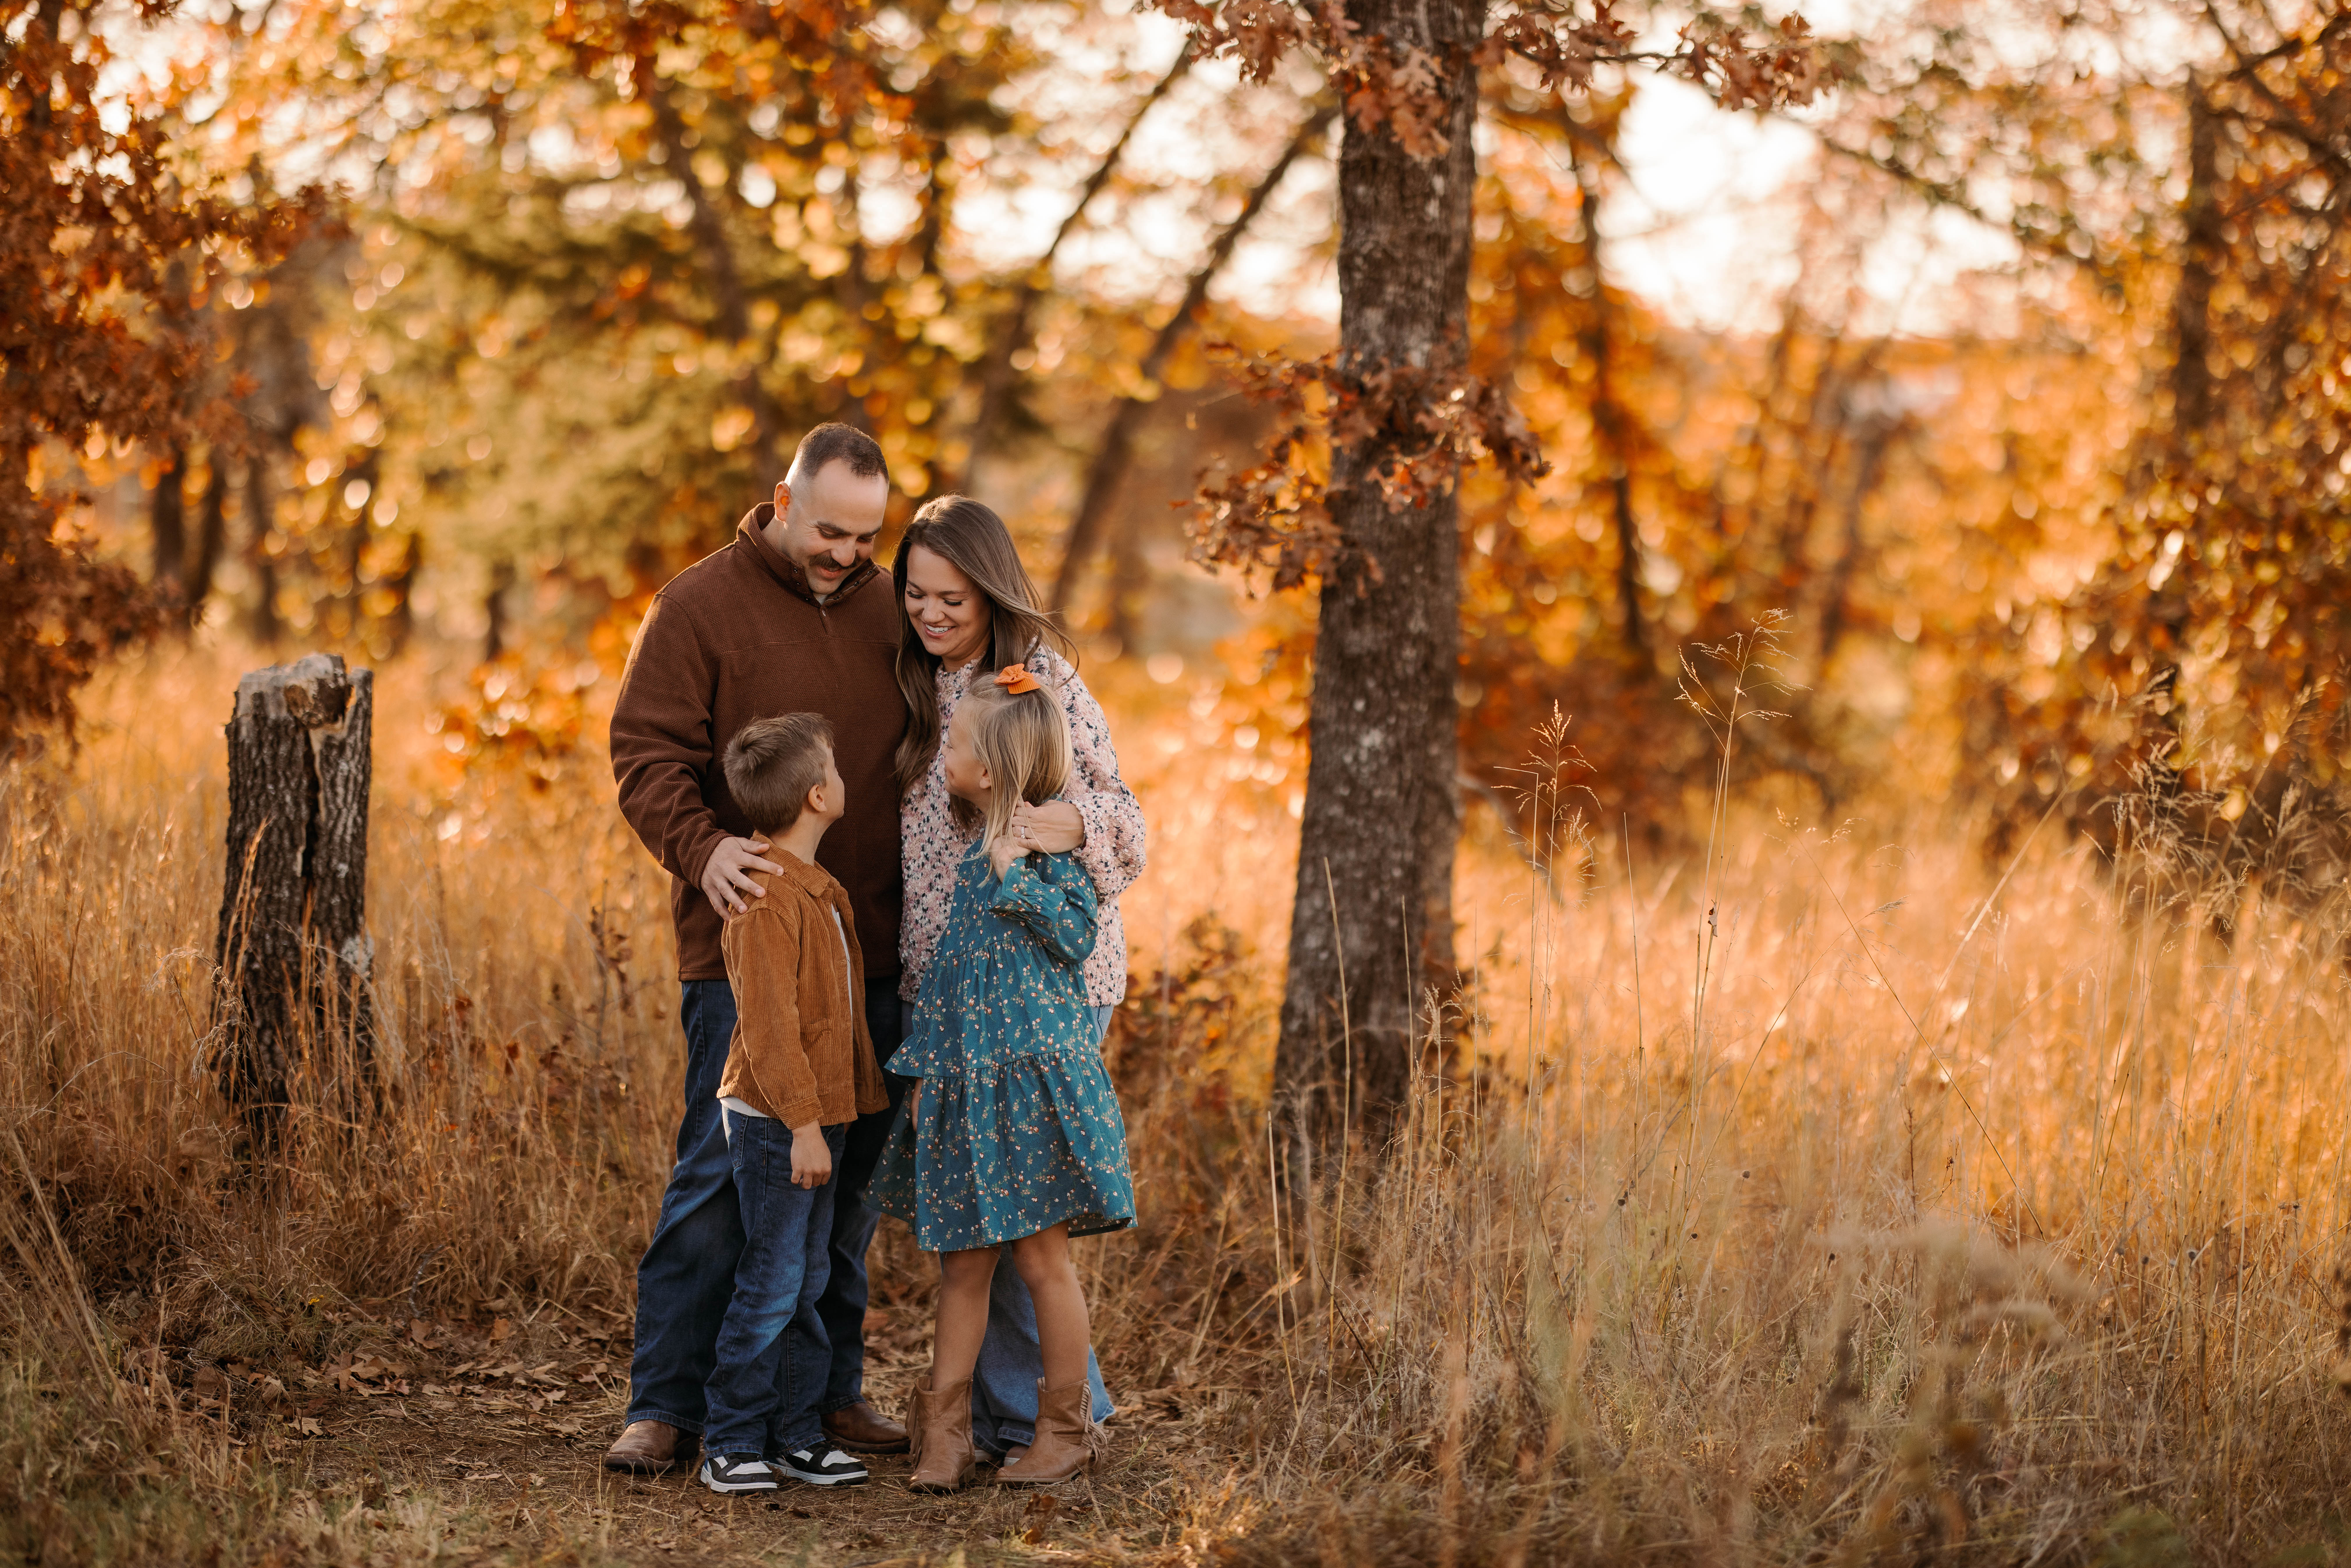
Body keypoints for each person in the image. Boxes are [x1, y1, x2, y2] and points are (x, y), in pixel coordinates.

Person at [605, 423, 912, 1476]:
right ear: (783, 504)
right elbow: (645, 754)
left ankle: (820, 1398)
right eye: (830, 531)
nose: (848, 555)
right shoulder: (697, 606)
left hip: (871, 950)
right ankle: (664, 1405)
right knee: (718, 1180)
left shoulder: (892, 609)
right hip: (746, 947)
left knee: (842, 1192)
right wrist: (703, 850)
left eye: (867, 537)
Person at [890, 494, 1146, 1461]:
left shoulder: (1040, 683)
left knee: (1025, 1229)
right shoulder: (913, 677)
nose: (931, 613)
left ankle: (1064, 1422)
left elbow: (1123, 821)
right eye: (915, 594)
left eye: (951, 597)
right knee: (977, 1235)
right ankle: (995, 1422)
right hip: (948, 993)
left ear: (990, 591)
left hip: (1045, 996)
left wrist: (1051, 829)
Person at [696, 714, 889, 1494]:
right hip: (780, 1123)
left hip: (820, 1116)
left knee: (807, 1279)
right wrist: (806, 1129)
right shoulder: (765, 902)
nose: (842, 779)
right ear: (817, 796)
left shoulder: (816, 887)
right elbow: (770, 1030)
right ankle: (731, 1440)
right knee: (772, 1283)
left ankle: (796, 1435)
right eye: (835, 769)